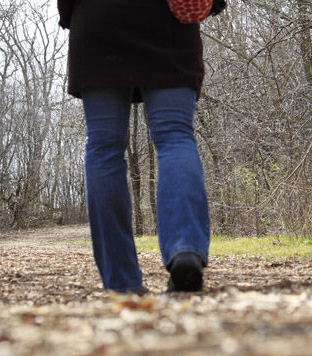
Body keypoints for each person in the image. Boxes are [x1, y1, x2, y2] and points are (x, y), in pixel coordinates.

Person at [57, 0, 226, 294]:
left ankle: (121, 281)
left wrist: (74, 14)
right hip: (166, 23)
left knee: (104, 146)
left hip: (98, 20)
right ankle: (185, 249)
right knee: (175, 136)